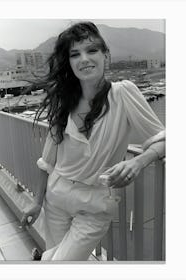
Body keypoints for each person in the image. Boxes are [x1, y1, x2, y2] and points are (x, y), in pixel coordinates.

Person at [21, 21, 165, 261]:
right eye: (75, 54)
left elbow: (163, 138)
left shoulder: (122, 93)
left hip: (95, 204)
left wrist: (139, 161)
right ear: (69, 62)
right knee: (56, 257)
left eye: (92, 50)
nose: (84, 59)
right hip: (56, 198)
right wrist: (37, 202)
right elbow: (47, 161)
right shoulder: (63, 101)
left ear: (105, 56)